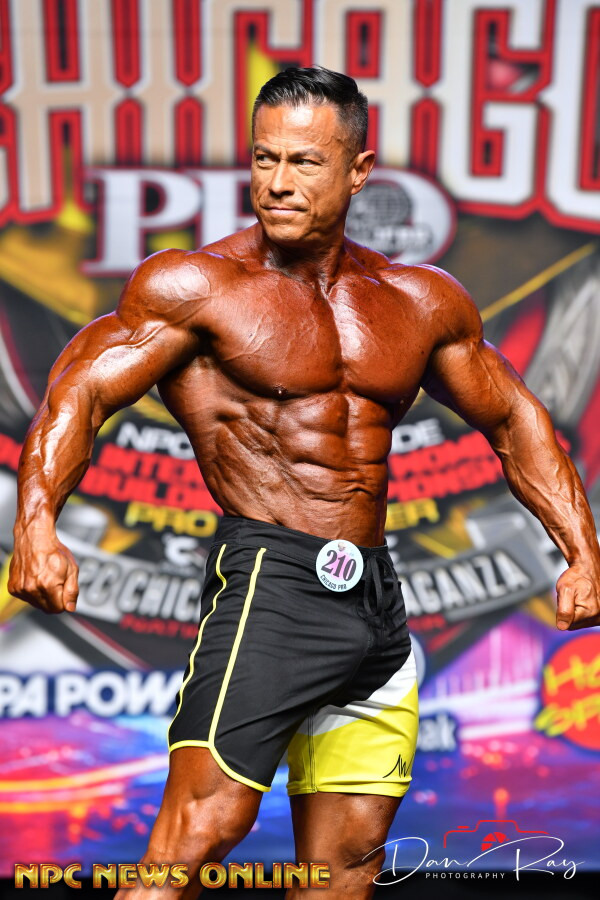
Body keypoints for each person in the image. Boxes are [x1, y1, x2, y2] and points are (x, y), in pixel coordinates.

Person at [9, 66, 600, 898]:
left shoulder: (417, 300)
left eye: (304, 162)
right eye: (265, 158)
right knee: (198, 833)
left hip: (376, 606)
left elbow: (514, 419)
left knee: (347, 864)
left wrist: (582, 552)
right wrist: (37, 524)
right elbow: (81, 391)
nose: (277, 183)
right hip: (272, 587)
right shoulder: (198, 288)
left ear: (359, 172)